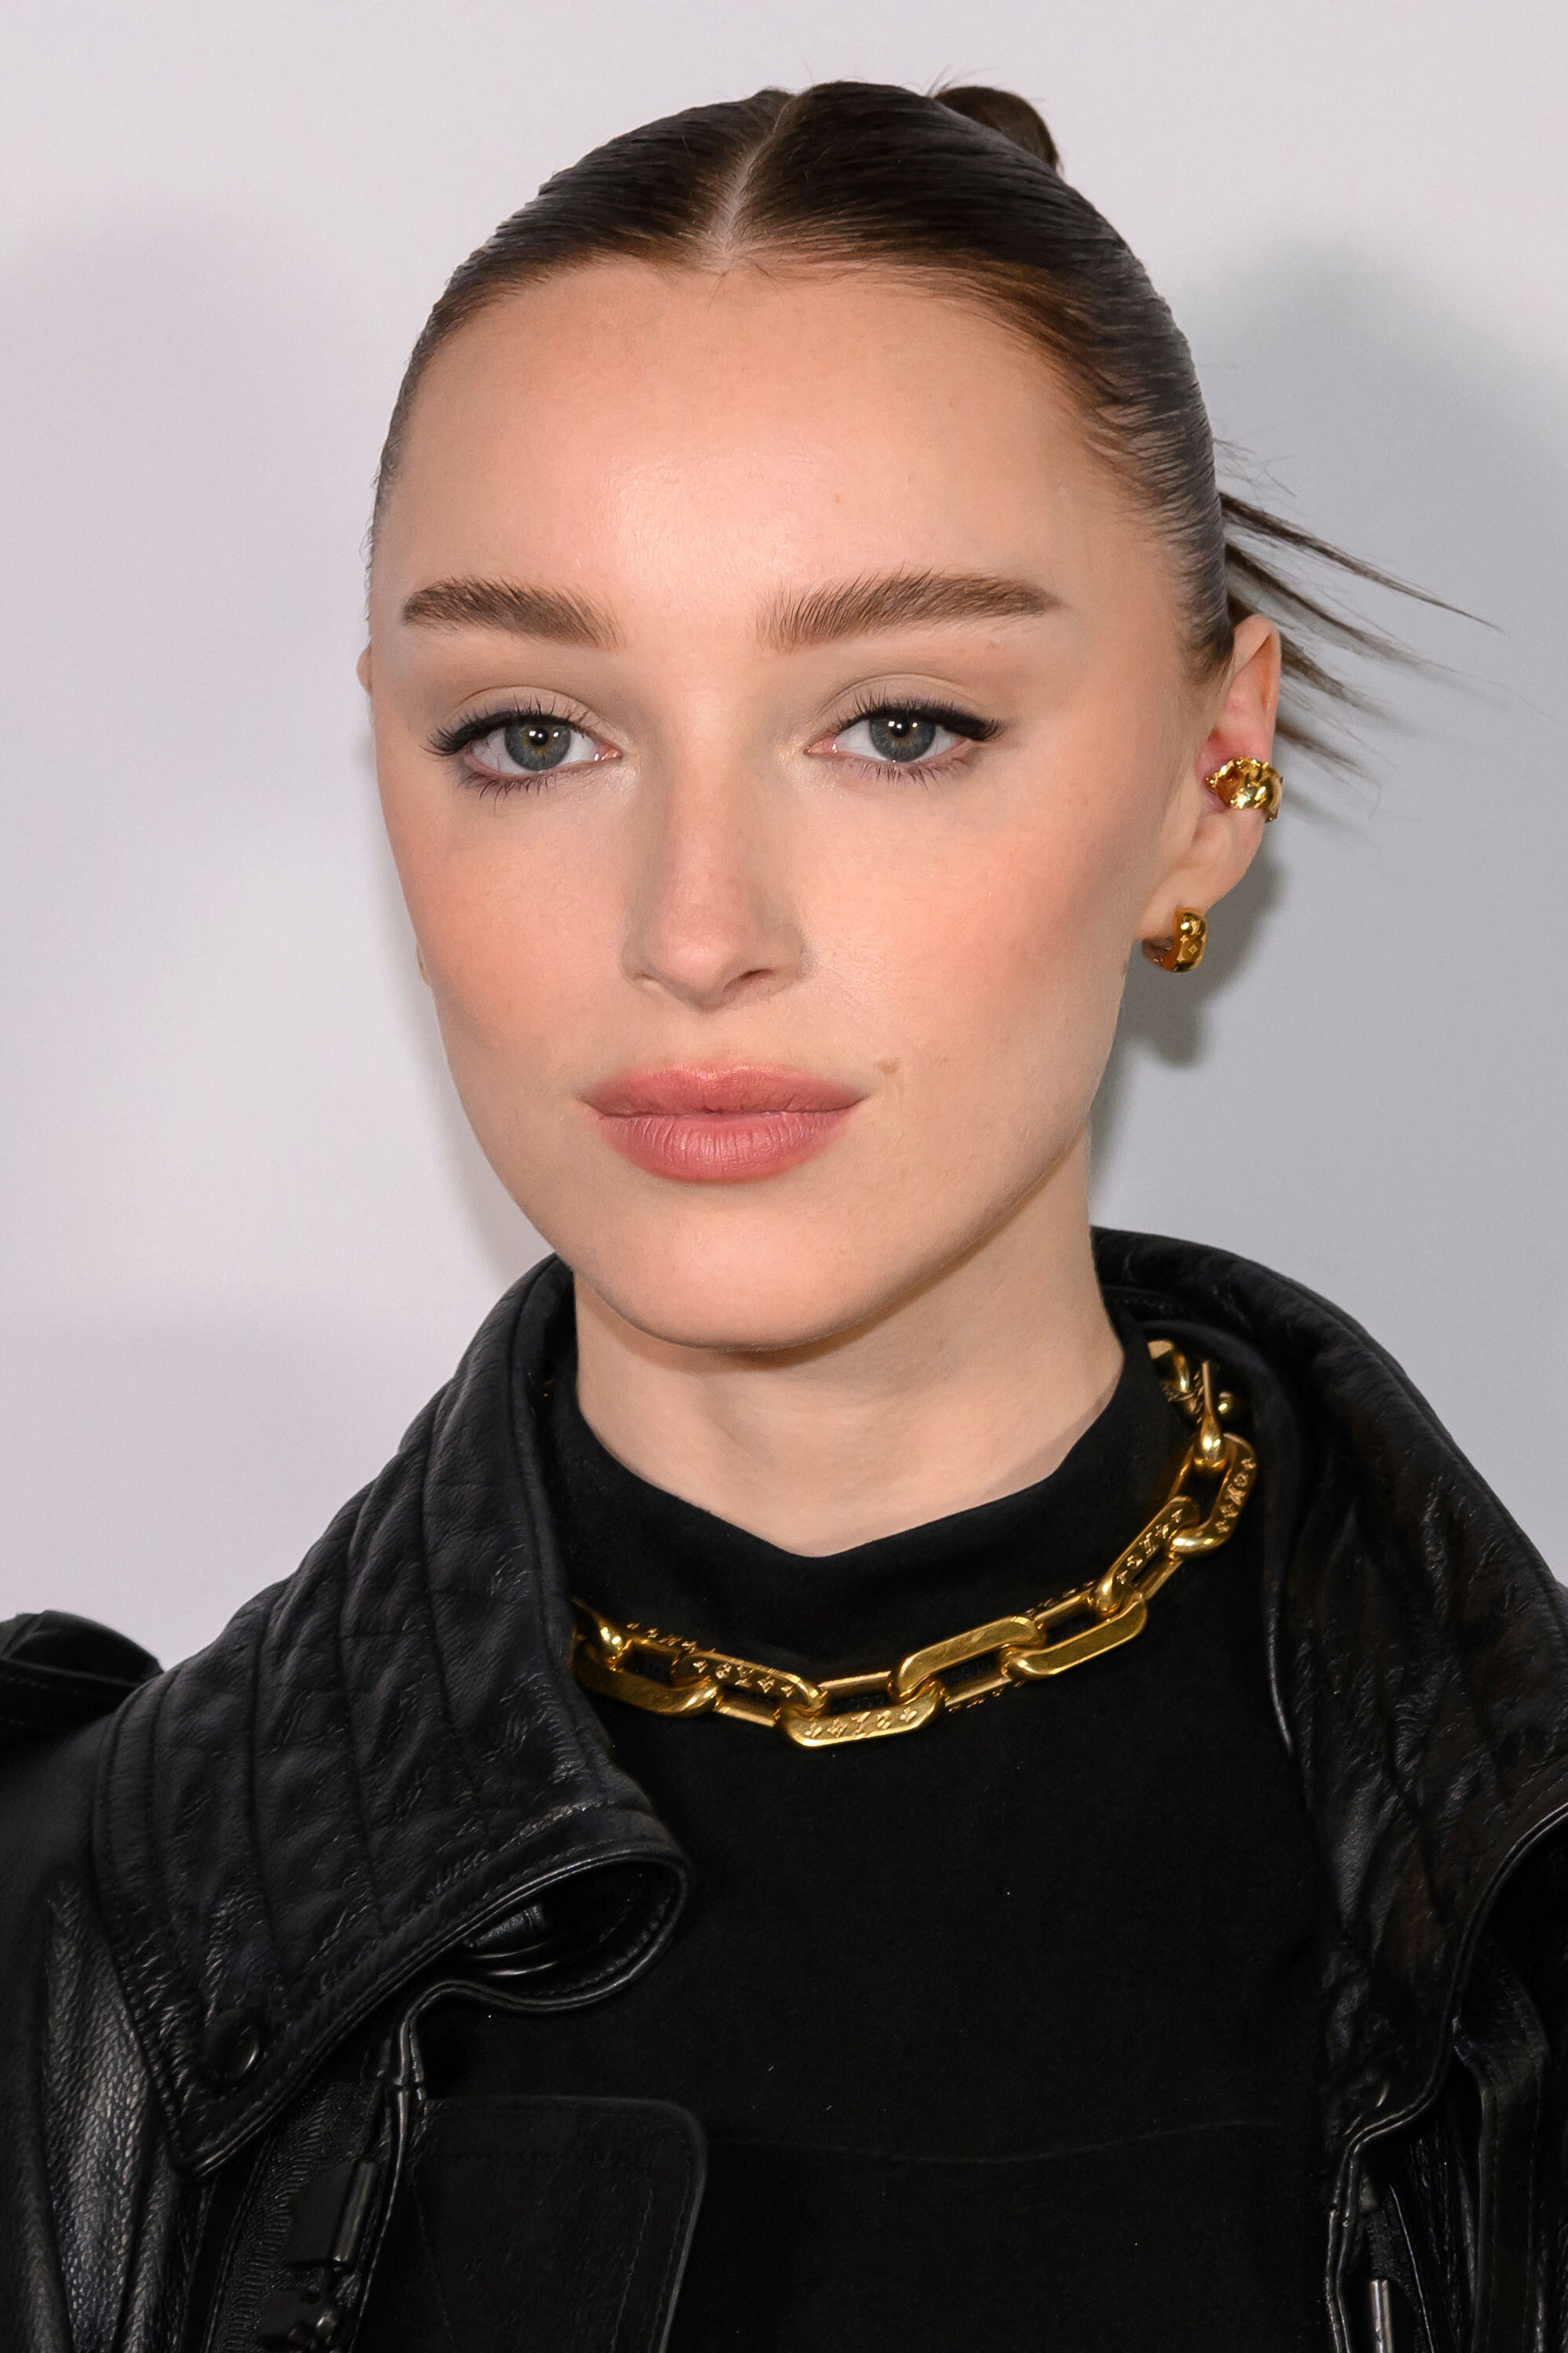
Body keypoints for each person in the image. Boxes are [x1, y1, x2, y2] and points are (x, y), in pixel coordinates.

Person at [1, 78, 1563, 2353]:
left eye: (901, 724)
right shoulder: (62, 1951)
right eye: (535, 733)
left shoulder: (1520, 1913)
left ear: (1211, 778)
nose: (697, 930)